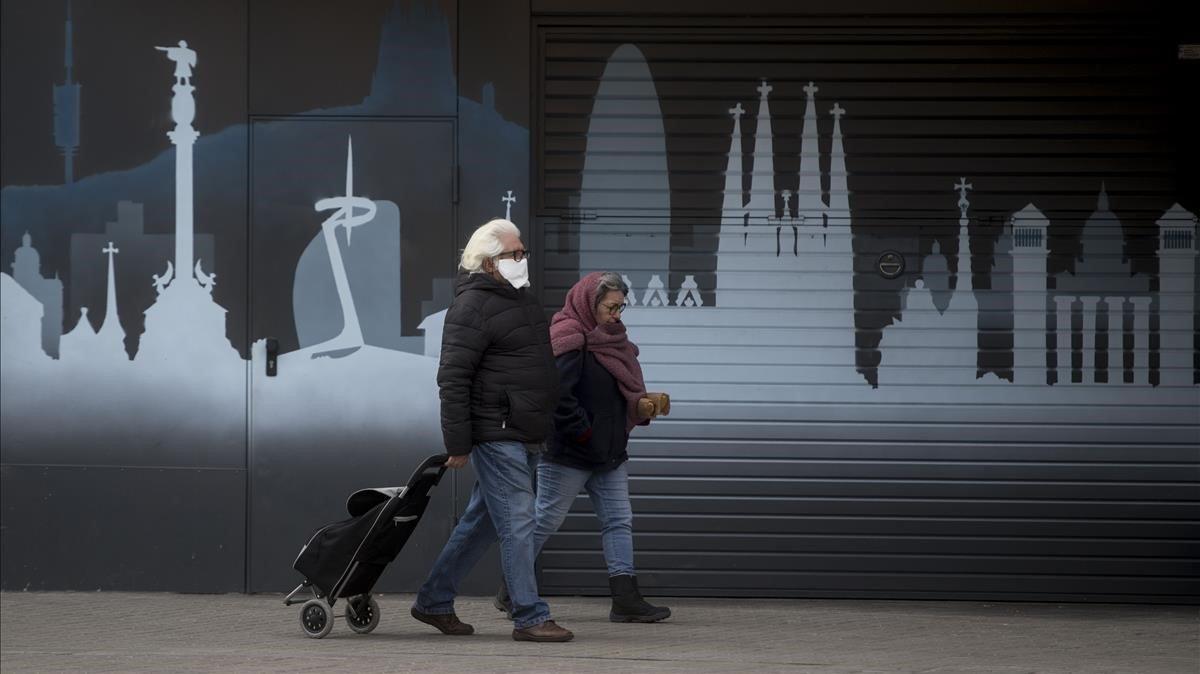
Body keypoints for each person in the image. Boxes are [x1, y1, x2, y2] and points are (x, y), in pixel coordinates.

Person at [410, 219, 573, 643]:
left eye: (523, 253)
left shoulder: (521, 300)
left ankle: (433, 601)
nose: (522, 260)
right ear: (488, 263)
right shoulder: (471, 308)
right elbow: (453, 378)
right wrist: (458, 443)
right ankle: (529, 615)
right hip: (496, 432)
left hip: (524, 431)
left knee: (481, 522)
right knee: (520, 519)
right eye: (514, 254)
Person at [496, 271, 671, 623]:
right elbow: (559, 398)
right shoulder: (568, 338)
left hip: (609, 453)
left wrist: (637, 405)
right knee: (546, 520)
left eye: (621, 308)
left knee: (619, 521)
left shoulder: (615, 341)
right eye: (611, 307)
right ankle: (513, 590)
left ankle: (625, 599)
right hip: (571, 454)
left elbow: (610, 394)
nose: (617, 315)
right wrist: (586, 435)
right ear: (589, 304)